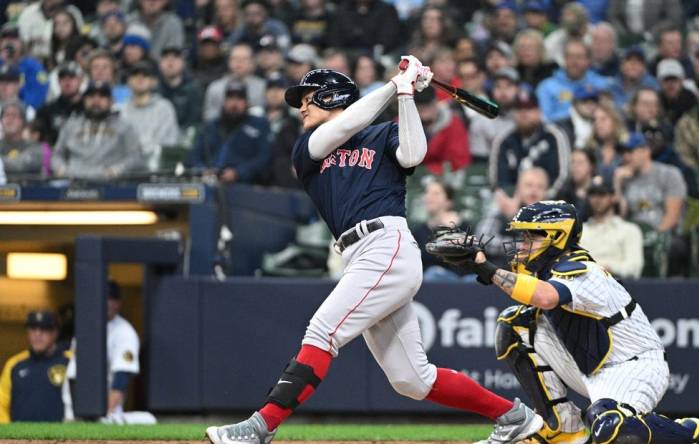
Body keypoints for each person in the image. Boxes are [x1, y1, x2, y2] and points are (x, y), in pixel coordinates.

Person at [205, 58, 545, 444]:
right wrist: (393, 84)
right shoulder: (307, 146)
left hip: (386, 244)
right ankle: (514, 417)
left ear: (334, 96)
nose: (301, 107)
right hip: (358, 254)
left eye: (310, 98)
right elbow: (346, 123)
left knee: (323, 330)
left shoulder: (382, 134)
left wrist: (405, 94)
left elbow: (414, 154)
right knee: (412, 380)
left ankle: (260, 427)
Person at [438, 200, 699, 444]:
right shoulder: (545, 268)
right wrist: (479, 261)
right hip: (590, 364)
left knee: (611, 431)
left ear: (556, 236)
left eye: (531, 236)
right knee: (516, 324)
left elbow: (546, 297)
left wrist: (486, 268)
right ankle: (563, 426)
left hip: (634, 367)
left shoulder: (582, 269)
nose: (523, 244)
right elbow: (521, 288)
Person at [63, 281, 149, 423]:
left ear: (117, 303)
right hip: (74, 411)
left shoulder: (124, 332)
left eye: (109, 299)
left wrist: (104, 414)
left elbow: (121, 379)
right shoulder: (87, 327)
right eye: (100, 298)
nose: (103, 303)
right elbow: (73, 373)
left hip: (106, 413)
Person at [51, 81, 144, 180]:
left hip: (111, 184)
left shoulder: (124, 126)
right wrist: (61, 169)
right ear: (84, 100)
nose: (96, 101)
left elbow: (136, 157)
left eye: (102, 96)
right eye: (91, 96)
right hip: (73, 182)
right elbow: (57, 155)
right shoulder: (70, 125)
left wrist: (117, 170)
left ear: (111, 101)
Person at [490, 91, 571, 198]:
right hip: (511, 205)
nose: (524, 114)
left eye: (529, 109)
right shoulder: (504, 139)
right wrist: (511, 202)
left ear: (539, 112)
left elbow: (562, 177)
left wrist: (545, 200)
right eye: (519, 109)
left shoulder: (553, 136)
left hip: (548, 204)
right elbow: (497, 180)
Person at [187, 81, 270, 184]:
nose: (234, 103)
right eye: (230, 98)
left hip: (243, 184)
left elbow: (264, 158)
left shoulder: (259, 125)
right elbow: (194, 155)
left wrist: (238, 173)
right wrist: (203, 170)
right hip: (209, 181)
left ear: (247, 103)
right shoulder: (211, 126)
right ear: (224, 102)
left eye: (239, 99)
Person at [0, 310, 70, 423]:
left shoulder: (70, 362)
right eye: (33, 329)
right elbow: (1, 404)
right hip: (19, 438)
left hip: (61, 438)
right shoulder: (15, 364)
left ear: (55, 332)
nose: (38, 334)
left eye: (44, 329)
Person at [476, 167, 550, 264]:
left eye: (540, 187)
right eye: (529, 185)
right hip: (498, 269)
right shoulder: (503, 208)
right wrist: (520, 245)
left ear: (546, 192)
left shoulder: (551, 217)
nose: (534, 191)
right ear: (518, 188)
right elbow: (483, 240)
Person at [120, 61, 178, 172]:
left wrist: (139, 149)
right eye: (135, 74)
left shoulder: (164, 107)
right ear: (128, 81)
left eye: (145, 75)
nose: (140, 78)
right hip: (125, 168)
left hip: (158, 168)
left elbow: (168, 142)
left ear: (153, 81)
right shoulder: (119, 110)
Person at [535, 38, 609, 123]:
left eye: (579, 57)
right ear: (564, 59)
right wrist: (575, 113)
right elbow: (544, 119)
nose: (574, 61)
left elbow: (612, 115)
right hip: (560, 132)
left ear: (589, 60)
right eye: (570, 56)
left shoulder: (601, 84)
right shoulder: (547, 87)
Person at [581, 180, 644, 278]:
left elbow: (634, 268)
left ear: (613, 197)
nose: (597, 199)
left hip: (617, 284)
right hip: (583, 283)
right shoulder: (580, 231)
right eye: (592, 194)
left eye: (602, 194)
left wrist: (608, 268)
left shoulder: (629, 230)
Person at [414, 86, 470, 175]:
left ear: (435, 102)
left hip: (445, 179)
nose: (424, 110)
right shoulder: (402, 124)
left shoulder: (452, 123)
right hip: (412, 180)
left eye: (428, 105)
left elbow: (459, 161)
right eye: (420, 106)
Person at [203, 43, 266, 122]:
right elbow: (209, 117)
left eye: (244, 59)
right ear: (229, 62)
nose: (239, 62)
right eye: (235, 58)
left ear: (252, 63)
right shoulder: (215, 87)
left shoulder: (263, 87)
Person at [34, 62, 84, 146]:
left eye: (72, 77)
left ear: (80, 80)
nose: (67, 81)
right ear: (58, 81)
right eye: (63, 77)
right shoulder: (46, 111)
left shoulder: (89, 109)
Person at [157, 46, 203, 134]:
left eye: (175, 58)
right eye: (166, 58)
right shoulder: (153, 90)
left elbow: (194, 123)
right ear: (160, 64)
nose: (170, 62)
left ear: (183, 63)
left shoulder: (193, 90)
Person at [0, 101, 45, 180]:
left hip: (29, 190)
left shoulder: (34, 147)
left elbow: (21, 165)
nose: (9, 120)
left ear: (23, 121)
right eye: (6, 115)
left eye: (14, 115)